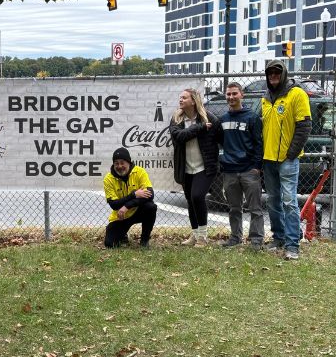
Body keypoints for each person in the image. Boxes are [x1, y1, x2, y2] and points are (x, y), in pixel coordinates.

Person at [262, 60, 312, 260]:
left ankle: (292, 244)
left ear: (283, 74)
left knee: (289, 201)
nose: (273, 75)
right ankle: (279, 237)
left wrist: (291, 153)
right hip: (268, 159)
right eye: (270, 73)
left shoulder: (297, 94)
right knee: (272, 201)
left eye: (277, 72)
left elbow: (304, 126)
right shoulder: (265, 98)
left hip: (287, 160)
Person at [169, 88, 222, 246]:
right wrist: (200, 128)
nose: (181, 100)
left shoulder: (209, 118)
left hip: (205, 167)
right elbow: (179, 137)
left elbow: (220, 138)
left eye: (184, 98)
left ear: (193, 101)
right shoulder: (177, 119)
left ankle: (202, 237)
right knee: (190, 201)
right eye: (180, 97)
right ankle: (195, 235)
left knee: (197, 196)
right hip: (186, 167)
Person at [219, 82, 264, 250]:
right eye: (228, 94)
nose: (231, 97)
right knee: (234, 208)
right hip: (230, 171)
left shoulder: (252, 117)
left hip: (249, 170)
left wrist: (256, 166)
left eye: (234, 93)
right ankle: (235, 237)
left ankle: (256, 240)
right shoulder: (223, 119)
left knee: (255, 208)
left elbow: (259, 144)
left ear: (241, 95)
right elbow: (220, 142)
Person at [103, 147, 157, 248]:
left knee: (151, 207)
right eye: (116, 163)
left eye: (122, 163)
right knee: (109, 244)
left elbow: (150, 194)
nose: (119, 166)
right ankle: (123, 235)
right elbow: (114, 205)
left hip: (137, 211)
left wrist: (127, 206)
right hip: (120, 216)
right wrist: (133, 195)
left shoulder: (140, 172)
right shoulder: (108, 179)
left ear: (129, 162)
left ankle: (144, 240)